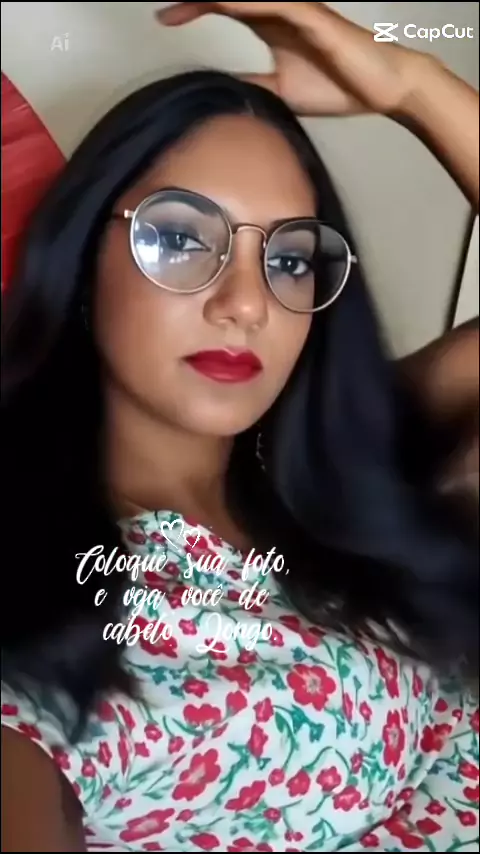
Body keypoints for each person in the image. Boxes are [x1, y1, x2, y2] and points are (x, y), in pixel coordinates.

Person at [1, 2, 478, 851]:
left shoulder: (344, 469)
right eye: (181, 240)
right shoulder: (33, 592)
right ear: (80, 261)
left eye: (289, 258)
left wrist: (412, 85)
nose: (248, 303)